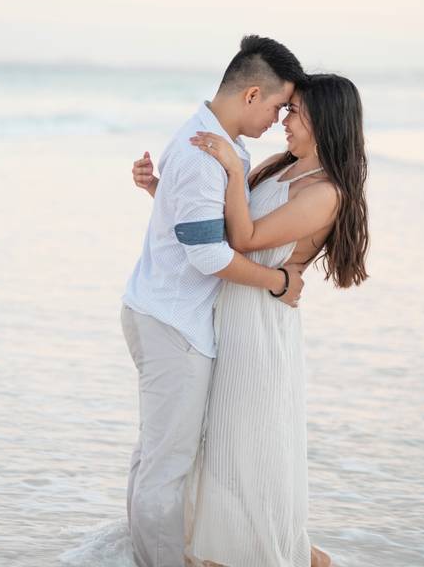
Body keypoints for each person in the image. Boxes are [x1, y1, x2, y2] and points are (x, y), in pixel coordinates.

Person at [134, 73, 370, 567]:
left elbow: (244, 239)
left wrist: (235, 175)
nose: (285, 119)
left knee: (248, 448)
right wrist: (163, 189)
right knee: (220, 447)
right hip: (226, 317)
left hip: (260, 327)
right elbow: (216, 231)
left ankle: (282, 556)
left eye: (296, 111)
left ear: (326, 121)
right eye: (286, 109)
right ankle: (237, 550)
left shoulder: (324, 192)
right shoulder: (277, 168)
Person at [121, 35, 307, 567]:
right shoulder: (208, 152)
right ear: (252, 95)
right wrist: (276, 283)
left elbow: (197, 227)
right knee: (167, 464)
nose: (278, 118)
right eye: (277, 106)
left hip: (162, 313)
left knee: (155, 455)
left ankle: (142, 554)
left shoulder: (218, 143)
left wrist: (161, 193)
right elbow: (209, 257)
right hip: (172, 324)